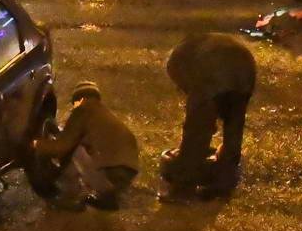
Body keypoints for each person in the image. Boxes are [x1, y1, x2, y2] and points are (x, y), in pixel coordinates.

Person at [159, 33, 256, 201]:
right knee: (234, 125)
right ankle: (223, 183)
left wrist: (202, 117)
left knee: (197, 132)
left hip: (213, 67)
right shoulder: (196, 47)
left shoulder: (176, 63)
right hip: (245, 67)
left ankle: (183, 188)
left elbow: (199, 116)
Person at [33, 81, 139, 211]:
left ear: (80, 99)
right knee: (82, 147)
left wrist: (36, 144)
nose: (74, 106)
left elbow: (62, 147)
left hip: (110, 172)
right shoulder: (103, 114)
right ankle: (108, 198)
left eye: (74, 103)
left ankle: (71, 197)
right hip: (128, 172)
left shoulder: (82, 110)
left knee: (74, 150)